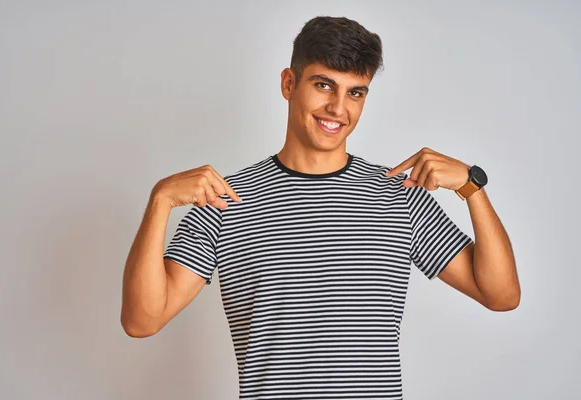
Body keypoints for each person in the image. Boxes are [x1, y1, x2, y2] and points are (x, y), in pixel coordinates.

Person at [121, 15, 520, 400]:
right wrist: (160, 201)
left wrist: (472, 187)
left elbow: (500, 295)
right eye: (324, 85)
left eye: (355, 92)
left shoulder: (397, 194)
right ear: (288, 83)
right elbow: (142, 320)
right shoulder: (224, 199)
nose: (338, 108)